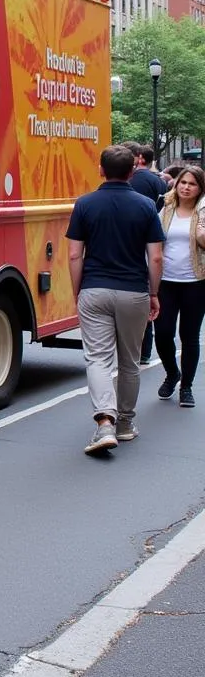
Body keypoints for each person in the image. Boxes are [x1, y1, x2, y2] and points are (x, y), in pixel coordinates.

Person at [66, 144, 164, 454]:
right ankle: (124, 424)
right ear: (134, 170)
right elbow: (156, 257)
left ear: (100, 169)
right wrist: (153, 293)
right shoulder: (146, 206)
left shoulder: (84, 204)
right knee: (130, 361)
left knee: (98, 358)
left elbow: (73, 254)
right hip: (134, 290)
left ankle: (104, 422)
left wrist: (77, 290)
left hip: (95, 288)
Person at [154, 165, 205, 408]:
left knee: (189, 336)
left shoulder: (203, 211)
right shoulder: (165, 207)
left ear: (200, 188)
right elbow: (152, 240)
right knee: (163, 333)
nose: (186, 187)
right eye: (183, 182)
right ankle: (172, 373)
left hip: (196, 282)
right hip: (166, 281)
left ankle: (186, 386)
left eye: (192, 184)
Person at [125, 142, 168, 364]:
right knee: (143, 297)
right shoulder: (158, 183)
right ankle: (144, 351)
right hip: (150, 240)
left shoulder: (126, 181)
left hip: (126, 243)